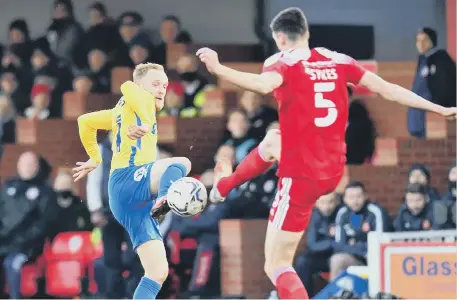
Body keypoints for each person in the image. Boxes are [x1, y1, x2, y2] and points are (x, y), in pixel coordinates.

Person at [194, 7, 457, 299]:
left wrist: (218, 69)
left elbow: (261, 85)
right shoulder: (338, 59)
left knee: (276, 265)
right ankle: (223, 187)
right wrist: (438, 108)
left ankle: (222, 188)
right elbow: (388, 89)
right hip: (332, 171)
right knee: (272, 140)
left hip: (300, 176)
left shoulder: (282, 62)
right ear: (306, 34)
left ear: (280, 38)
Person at [72, 63, 192, 299]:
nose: (161, 90)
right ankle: (165, 197)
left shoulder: (121, 112)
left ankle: (162, 200)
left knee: (157, 271)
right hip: (129, 179)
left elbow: (84, 122)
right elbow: (127, 86)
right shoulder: (140, 101)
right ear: (141, 86)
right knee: (182, 163)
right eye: (155, 84)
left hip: (126, 199)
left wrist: (95, 158)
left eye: (165, 85)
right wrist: (146, 123)